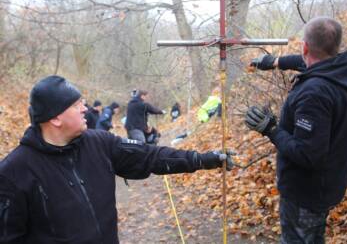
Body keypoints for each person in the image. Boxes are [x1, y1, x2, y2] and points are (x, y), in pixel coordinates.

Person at [0, 75, 234, 244]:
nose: (85, 109)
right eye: (76, 105)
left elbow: (150, 156)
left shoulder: (99, 142)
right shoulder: (14, 172)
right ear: (55, 118)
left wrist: (202, 159)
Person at [245, 17, 347, 243]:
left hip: (307, 193)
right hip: (329, 182)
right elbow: (315, 62)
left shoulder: (315, 94)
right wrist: (277, 62)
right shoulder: (342, 68)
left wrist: (271, 129)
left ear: (305, 47)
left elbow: (308, 154)